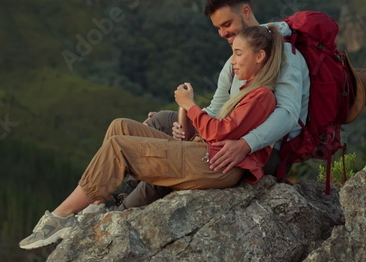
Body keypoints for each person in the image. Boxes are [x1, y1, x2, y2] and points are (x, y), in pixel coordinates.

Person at [19, 25, 287, 250]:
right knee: (120, 126)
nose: (233, 60)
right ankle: (95, 204)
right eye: (232, 53)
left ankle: (61, 217)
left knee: (118, 146)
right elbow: (221, 127)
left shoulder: (262, 95)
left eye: (238, 54)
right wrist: (187, 114)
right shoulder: (248, 88)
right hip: (205, 153)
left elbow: (219, 131)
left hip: (215, 165)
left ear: (260, 56)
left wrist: (190, 104)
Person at [121, 0, 310, 208]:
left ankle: (126, 210)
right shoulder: (234, 62)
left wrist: (245, 145)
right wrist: (188, 124)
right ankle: (127, 193)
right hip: (228, 131)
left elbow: (287, 114)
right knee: (159, 121)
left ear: (246, 12)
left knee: (175, 159)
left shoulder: (285, 54)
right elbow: (217, 108)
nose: (222, 33)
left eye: (227, 24)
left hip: (266, 151)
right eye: (218, 27)